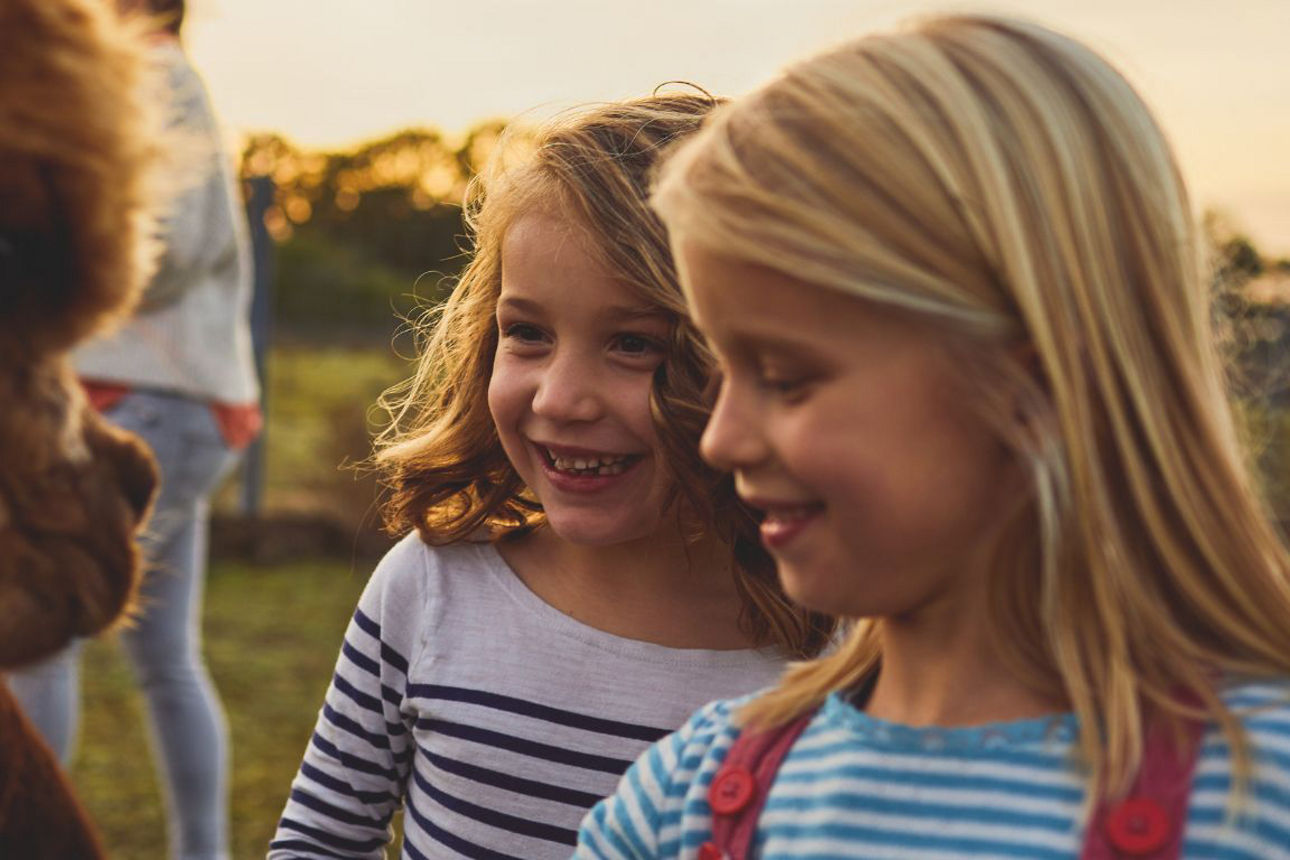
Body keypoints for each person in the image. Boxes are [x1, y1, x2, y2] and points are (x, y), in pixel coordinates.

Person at [577, 14, 1290, 858]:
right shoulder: (684, 803)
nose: (722, 440)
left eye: (789, 379)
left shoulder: (1256, 796)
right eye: (724, 370)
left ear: (1032, 386)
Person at [267, 93, 833, 860]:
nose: (559, 398)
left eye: (634, 343)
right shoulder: (430, 588)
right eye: (527, 333)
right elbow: (322, 839)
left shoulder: (845, 646)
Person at [8, 1, 260, 857]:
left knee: (36, 632)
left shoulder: (148, 69)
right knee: (166, 661)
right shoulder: (158, 72)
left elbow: (174, 241)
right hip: (175, 398)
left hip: (156, 400)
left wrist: (64, 255)